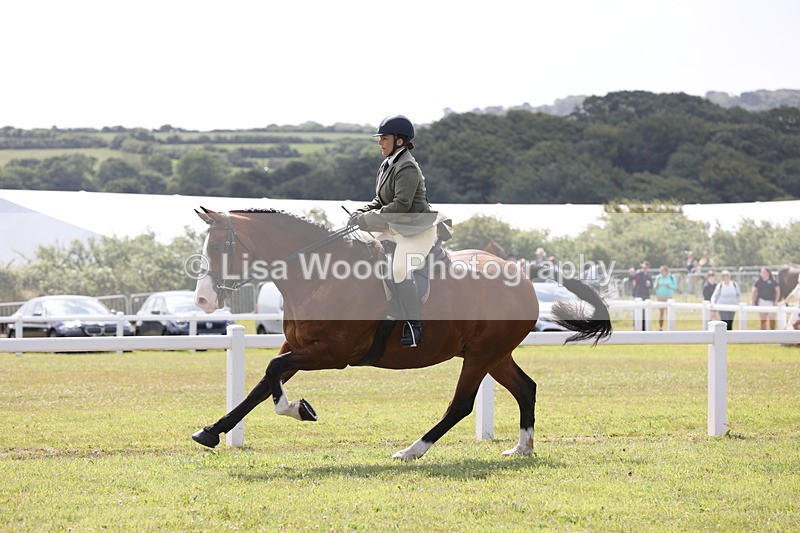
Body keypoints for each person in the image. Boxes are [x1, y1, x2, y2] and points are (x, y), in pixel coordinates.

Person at [349, 115, 439, 348]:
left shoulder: (407, 166)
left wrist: (367, 219)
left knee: (399, 269)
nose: (380, 142)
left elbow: (401, 204)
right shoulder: (387, 164)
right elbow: (380, 200)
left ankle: (413, 325)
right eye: (380, 138)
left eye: (384, 138)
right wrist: (359, 213)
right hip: (396, 227)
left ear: (399, 141)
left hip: (416, 229)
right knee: (357, 248)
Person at [653, 265, 677, 330]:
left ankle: (670, 327)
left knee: (668, 312)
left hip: (668, 297)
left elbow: (675, 287)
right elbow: (654, 287)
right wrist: (657, 285)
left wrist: (669, 286)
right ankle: (660, 327)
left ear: (666, 271)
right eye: (660, 271)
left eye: (662, 271)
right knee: (661, 313)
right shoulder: (658, 277)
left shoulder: (671, 277)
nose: (661, 273)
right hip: (660, 296)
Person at [631, 261, 653, 330]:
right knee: (637, 311)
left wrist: (649, 285)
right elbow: (633, 281)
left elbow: (651, 286)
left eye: (646, 268)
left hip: (646, 295)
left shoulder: (649, 275)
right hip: (638, 295)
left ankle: (644, 327)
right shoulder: (638, 274)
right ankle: (636, 327)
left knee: (644, 312)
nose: (644, 269)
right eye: (643, 267)